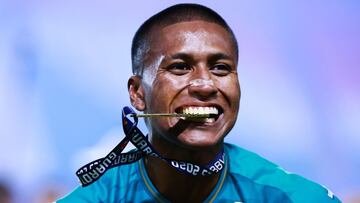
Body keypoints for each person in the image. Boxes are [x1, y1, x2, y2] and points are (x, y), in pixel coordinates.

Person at [57, 3, 341, 202]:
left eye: (220, 68)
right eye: (180, 67)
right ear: (137, 94)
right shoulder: (96, 198)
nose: (206, 85)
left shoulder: (293, 198)